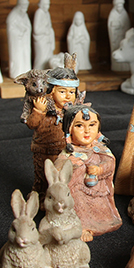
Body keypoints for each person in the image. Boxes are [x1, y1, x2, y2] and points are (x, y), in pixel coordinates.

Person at [54, 105, 121, 241]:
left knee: (100, 208)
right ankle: (82, 227)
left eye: (92, 125)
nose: (87, 130)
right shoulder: (69, 154)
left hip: (98, 190)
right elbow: (56, 171)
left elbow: (109, 163)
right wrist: (70, 165)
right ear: (69, 130)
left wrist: (99, 169)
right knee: (79, 205)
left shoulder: (100, 150)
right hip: (75, 191)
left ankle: (101, 222)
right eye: (79, 126)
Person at [25, 66, 81, 201]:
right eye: (62, 91)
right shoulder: (44, 108)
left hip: (66, 150)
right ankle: (43, 196)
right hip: (45, 149)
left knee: (65, 175)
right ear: (50, 92)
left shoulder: (73, 111)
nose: (68, 96)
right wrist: (38, 111)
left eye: (72, 92)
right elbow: (31, 124)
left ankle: (64, 197)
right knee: (44, 176)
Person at [6, 0, 32, 79]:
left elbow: (28, 26)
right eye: (23, 6)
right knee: (17, 57)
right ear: (19, 5)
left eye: (26, 6)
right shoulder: (13, 15)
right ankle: (17, 73)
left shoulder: (24, 15)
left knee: (25, 55)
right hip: (17, 41)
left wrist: (25, 30)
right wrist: (19, 32)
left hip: (24, 40)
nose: (25, 9)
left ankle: (26, 72)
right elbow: (11, 29)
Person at [108, 0, 131, 72]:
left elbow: (127, 25)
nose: (120, 8)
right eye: (118, 6)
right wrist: (115, 27)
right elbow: (110, 26)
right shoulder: (112, 14)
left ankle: (124, 66)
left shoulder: (124, 13)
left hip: (122, 35)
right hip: (116, 36)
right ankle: (116, 66)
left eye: (121, 6)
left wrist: (121, 26)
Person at [33, 0, 55, 70]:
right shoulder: (39, 12)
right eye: (45, 4)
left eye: (48, 4)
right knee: (41, 57)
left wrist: (50, 32)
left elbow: (49, 26)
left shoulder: (47, 13)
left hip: (47, 39)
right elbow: (36, 30)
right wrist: (45, 30)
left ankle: (46, 71)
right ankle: (38, 72)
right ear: (41, 4)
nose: (47, 6)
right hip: (41, 39)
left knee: (48, 58)